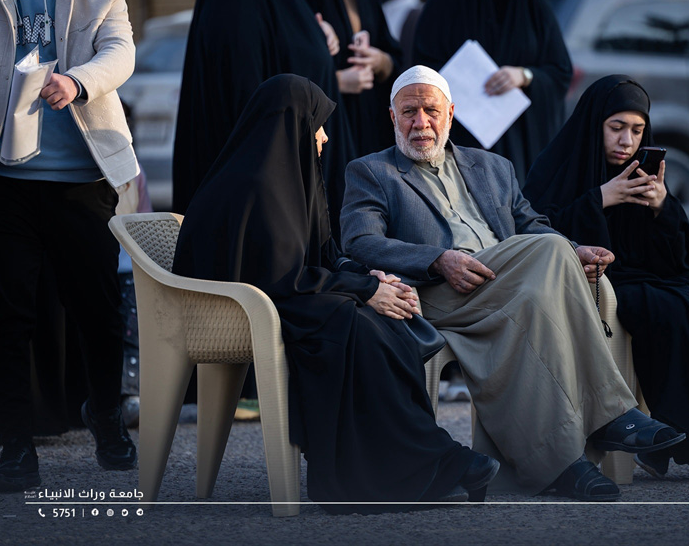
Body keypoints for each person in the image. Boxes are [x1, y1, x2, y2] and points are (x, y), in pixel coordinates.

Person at [341, 65, 685, 501]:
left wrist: (575, 250)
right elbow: (360, 241)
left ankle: (561, 464)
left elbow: (531, 224)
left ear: (451, 113)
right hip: (441, 293)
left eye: (431, 111)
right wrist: (438, 259)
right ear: (392, 117)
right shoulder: (371, 171)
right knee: (550, 251)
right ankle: (612, 414)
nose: (421, 123)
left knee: (552, 263)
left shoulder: (492, 166)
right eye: (409, 112)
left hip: (510, 286)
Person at [173, 74, 500, 512]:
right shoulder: (252, 186)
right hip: (238, 311)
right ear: (291, 126)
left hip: (280, 299)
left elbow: (322, 256)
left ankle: (418, 466)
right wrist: (364, 290)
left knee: (380, 321)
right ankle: (397, 472)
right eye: (317, 125)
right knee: (354, 326)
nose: (324, 136)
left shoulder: (289, 180)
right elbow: (278, 275)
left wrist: (371, 279)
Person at [523, 75, 689, 480]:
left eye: (637, 130)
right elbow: (536, 232)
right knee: (665, 310)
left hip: (651, 275)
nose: (627, 141)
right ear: (595, 124)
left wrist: (662, 206)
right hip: (595, 282)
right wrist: (600, 198)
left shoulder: (641, 173)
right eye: (616, 128)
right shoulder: (556, 165)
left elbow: (681, 258)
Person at [0, 0, 139, 493]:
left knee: (97, 309)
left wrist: (78, 81)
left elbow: (119, 54)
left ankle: (105, 413)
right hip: (2, 181)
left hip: (81, 178)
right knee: (7, 314)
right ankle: (16, 447)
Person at [172, 0, 348, 219]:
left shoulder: (276, 3)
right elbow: (248, 99)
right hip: (267, 178)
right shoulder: (235, 18)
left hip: (299, 163)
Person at [411, 0, 572, 183]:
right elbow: (423, 69)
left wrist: (524, 75)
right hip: (463, 148)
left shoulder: (535, 8)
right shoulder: (446, 7)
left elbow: (560, 72)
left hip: (524, 149)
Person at [284, 0, 402, 161]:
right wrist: (335, 81)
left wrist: (380, 61)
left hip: (367, 121)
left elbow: (389, 48)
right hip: (323, 129)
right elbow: (281, 64)